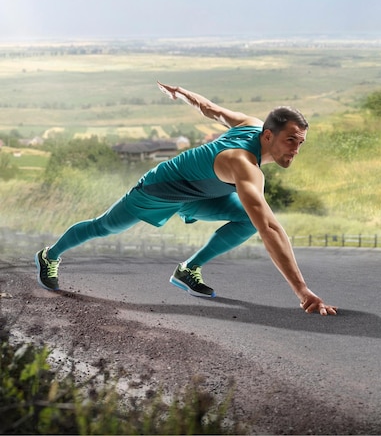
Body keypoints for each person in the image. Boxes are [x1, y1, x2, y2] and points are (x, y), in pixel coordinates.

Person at [35, 81, 337, 316]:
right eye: (290, 141)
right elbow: (270, 229)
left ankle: (188, 269)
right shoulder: (245, 165)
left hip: (201, 196)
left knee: (246, 220)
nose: (295, 150)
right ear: (268, 136)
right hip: (161, 189)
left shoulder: (252, 124)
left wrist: (182, 93)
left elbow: (212, 109)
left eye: (300, 143)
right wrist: (302, 290)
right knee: (104, 227)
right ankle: (50, 254)